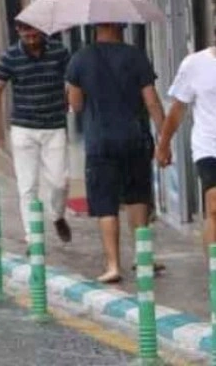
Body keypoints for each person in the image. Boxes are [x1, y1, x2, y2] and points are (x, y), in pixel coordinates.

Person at [65, 23, 166, 283]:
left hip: (100, 142)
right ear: (121, 26)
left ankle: (113, 266)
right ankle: (143, 258)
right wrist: (164, 136)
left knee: (105, 202)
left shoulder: (80, 58)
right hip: (134, 138)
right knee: (136, 197)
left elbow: (75, 105)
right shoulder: (136, 56)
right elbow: (151, 100)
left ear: (95, 27)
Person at [0, 21, 73, 249]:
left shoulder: (59, 52)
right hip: (24, 127)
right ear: (18, 32)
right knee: (27, 186)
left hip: (54, 126)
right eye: (26, 34)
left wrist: (70, 99)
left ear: (42, 31)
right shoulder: (10, 57)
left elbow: (73, 81)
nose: (31, 39)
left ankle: (57, 215)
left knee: (59, 182)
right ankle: (32, 237)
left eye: (34, 34)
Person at [156, 44, 216, 254]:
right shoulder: (195, 64)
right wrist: (163, 145)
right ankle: (214, 275)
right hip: (209, 146)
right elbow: (178, 108)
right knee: (215, 205)